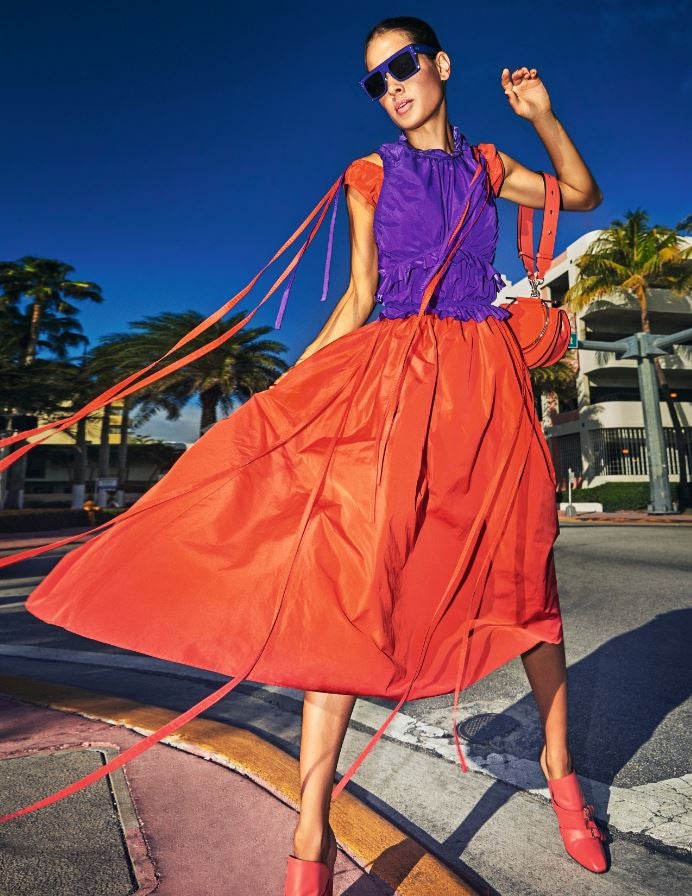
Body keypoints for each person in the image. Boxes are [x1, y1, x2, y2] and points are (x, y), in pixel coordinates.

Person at [0, 14, 608, 892]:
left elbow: (581, 196)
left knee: (525, 584)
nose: (391, 85)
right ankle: (311, 836)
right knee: (352, 593)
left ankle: (563, 783)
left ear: (439, 66)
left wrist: (543, 116)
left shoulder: (485, 165)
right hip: (397, 394)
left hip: (487, 392)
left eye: (402, 66)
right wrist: (284, 396)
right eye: (375, 79)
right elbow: (359, 296)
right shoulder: (370, 174)